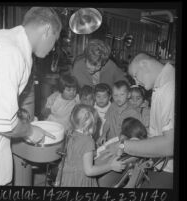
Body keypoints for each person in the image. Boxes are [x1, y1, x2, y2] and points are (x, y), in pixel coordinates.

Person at [0, 7, 62, 185]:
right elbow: (5, 123)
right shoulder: (10, 52)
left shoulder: (6, 39)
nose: (53, 46)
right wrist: (31, 131)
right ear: (47, 29)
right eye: (54, 40)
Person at [105, 52, 175, 188]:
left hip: (168, 169)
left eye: (135, 76)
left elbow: (170, 144)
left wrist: (124, 146)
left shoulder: (170, 89)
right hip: (160, 163)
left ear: (144, 64)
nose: (136, 83)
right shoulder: (161, 86)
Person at [55, 104, 126, 187]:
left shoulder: (70, 133)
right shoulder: (88, 140)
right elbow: (89, 171)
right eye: (95, 123)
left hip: (66, 177)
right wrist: (111, 166)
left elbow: (77, 155)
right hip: (80, 181)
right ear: (90, 125)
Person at [97, 80, 141, 145]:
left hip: (125, 144)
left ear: (128, 95)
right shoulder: (112, 106)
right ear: (112, 95)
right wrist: (103, 134)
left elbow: (136, 132)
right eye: (115, 95)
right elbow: (107, 122)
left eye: (122, 94)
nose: (118, 98)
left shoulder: (133, 112)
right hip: (110, 141)